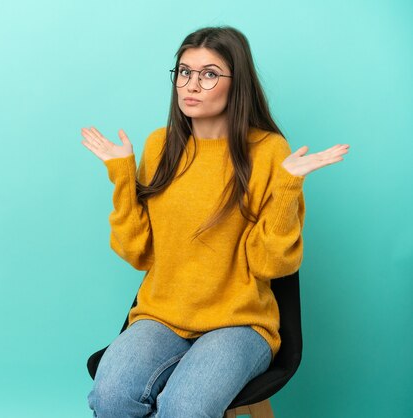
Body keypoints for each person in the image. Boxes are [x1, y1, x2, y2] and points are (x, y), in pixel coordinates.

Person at [80, 26, 349, 418]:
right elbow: (137, 252)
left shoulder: (269, 151)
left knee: (185, 407)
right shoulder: (161, 146)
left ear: (236, 84)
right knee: (111, 397)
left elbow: (271, 266)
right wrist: (123, 177)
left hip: (239, 323)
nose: (191, 84)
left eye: (209, 74)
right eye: (184, 72)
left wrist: (286, 189)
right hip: (161, 316)